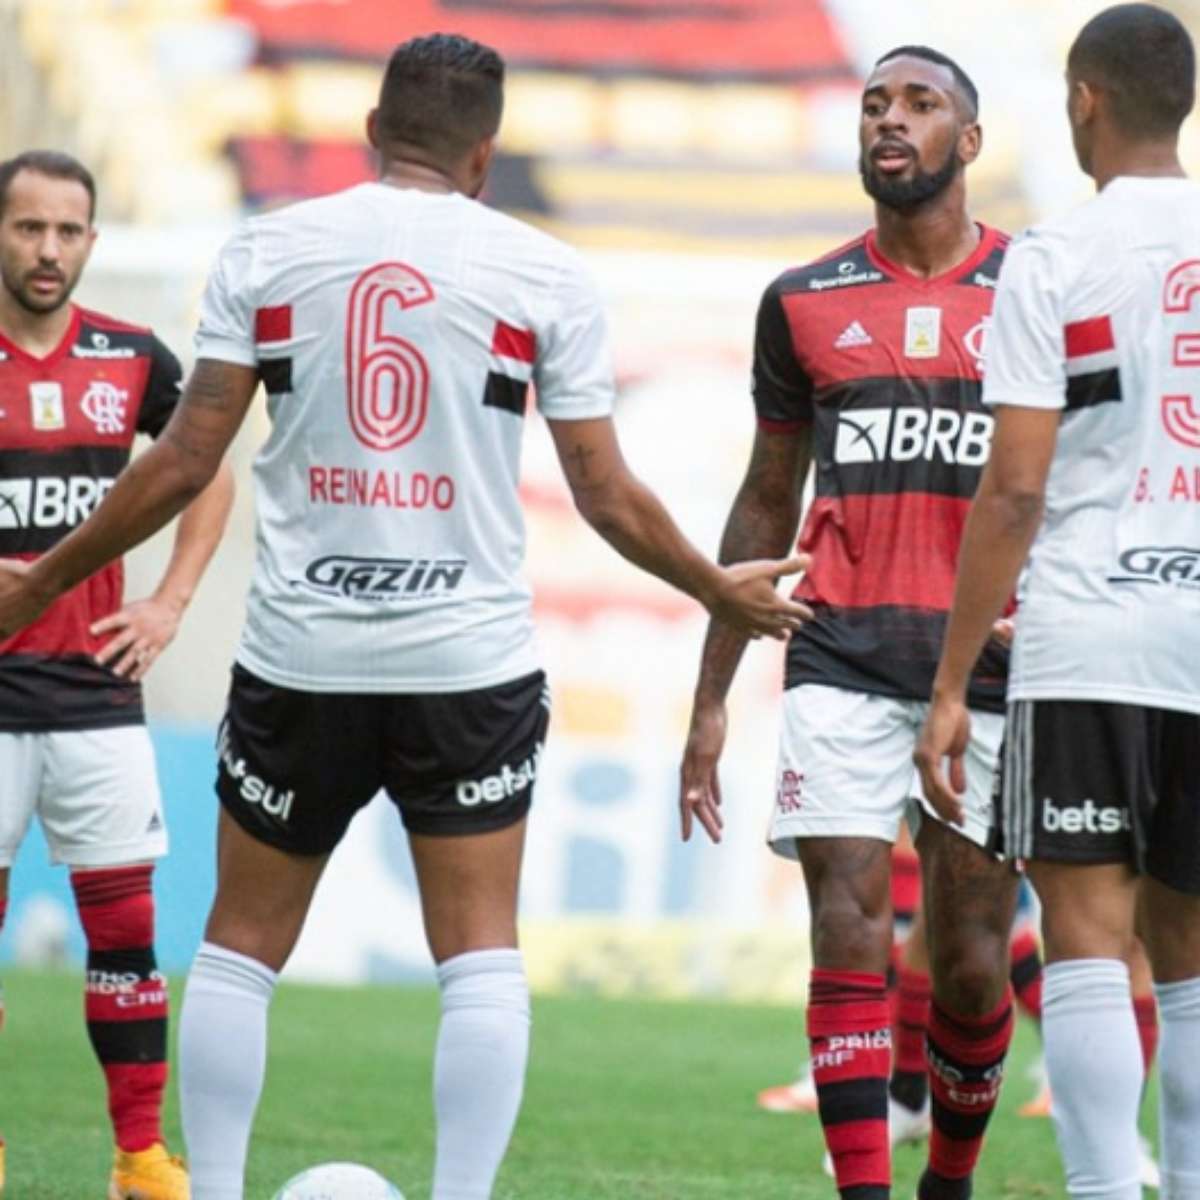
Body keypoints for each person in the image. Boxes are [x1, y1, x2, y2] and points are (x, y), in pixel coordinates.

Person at [0, 36, 810, 1200]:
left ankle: (212, 1187)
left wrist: (34, 582)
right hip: (465, 662)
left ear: (374, 132)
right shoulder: (544, 272)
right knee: (479, 955)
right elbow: (606, 491)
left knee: (239, 947)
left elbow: (183, 461)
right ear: (484, 156)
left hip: (302, 656)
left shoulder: (268, 250)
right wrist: (712, 586)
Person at [681, 46, 1021, 1200]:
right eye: (877, 103)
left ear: (968, 143)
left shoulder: (1037, 291)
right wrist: (712, 693)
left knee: (973, 967)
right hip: (837, 652)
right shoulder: (802, 300)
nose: (892, 120)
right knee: (848, 930)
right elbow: (766, 496)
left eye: (922, 105)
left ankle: (950, 1184)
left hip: (990, 671)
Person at [915, 5, 1200, 1197]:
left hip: (1089, 634)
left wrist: (949, 679)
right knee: (1190, 966)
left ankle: (1098, 1192)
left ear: (1085, 98)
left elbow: (1016, 485)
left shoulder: (1051, 256)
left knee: (1086, 939)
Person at [0, 150, 234, 1199]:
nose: (48, 250)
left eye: (67, 231)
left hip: (96, 696)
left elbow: (208, 471)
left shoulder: (133, 357)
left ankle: (140, 1158)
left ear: (93, 240)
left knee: (128, 934)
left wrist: (171, 600)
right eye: (27, 228)